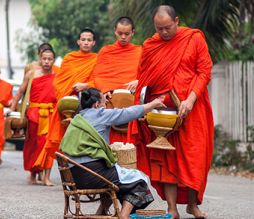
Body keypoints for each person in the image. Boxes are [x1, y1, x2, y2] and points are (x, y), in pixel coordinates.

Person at [130, 5, 213, 219]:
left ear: (176, 21)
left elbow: (204, 71)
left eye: (167, 27)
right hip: (161, 113)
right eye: (159, 29)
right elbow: (145, 77)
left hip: (192, 109)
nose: (164, 33)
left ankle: (192, 204)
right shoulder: (151, 45)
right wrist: (143, 99)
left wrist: (191, 99)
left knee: (195, 156)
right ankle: (172, 209)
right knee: (165, 158)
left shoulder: (194, 38)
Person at [61, 88, 165, 219]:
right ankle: (124, 215)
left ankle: (102, 212)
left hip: (74, 176)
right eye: (104, 103)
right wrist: (153, 104)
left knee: (113, 176)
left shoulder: (77, 118)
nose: (106, 106)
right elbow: (127, 113)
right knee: (138, 180)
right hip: (93, 173)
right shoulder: (100, 114)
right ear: (97, 105)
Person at [34, 28, 98, 186]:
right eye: (83, 39)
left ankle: (86, 177)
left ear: (94, 42)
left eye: (89, 40)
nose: (86, 42)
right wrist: (69, 93)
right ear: (78, 42)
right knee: (64, 141)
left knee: (85, 141)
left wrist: (86, 85)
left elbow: (101, 80)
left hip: (89, 107)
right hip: (69, 106)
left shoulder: (97, 59)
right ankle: (67, 177)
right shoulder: (70, 58)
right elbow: (59, 82)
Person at [91, 16, 142, 144]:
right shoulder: (106, 51)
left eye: (127, 34)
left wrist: (139, 81)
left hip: (132, 101)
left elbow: (148, 74)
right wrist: (105, 89)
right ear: (115, 31)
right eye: (120, 33)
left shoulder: (139, 51)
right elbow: (98, 75)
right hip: (110, 101)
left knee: (131, 143)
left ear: (133, 32)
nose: (123, 37)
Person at [10, 48, 56, 184]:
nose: (47, 62)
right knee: (33, 144)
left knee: (48, 144)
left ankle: (47, 176)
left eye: (50, 59)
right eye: (44, 59)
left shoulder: (58, 75)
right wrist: (12, 109)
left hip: (50, 114)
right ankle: (33, 173)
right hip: (34, 114)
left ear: (53, 60)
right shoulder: (31, 74)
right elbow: (19, 93)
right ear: (40, 59)